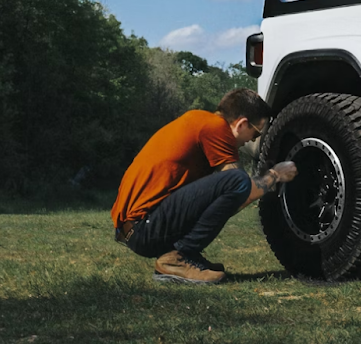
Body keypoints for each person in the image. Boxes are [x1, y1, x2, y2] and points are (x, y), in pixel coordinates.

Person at [112, 88, 297, 284]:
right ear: (242, 124)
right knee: (237, 180)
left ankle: (185, 255)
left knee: (235, 183)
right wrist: (275, 175)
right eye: (256, 133)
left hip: (131, 229)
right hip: (143, 229)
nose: (251, 141)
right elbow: (243, 190)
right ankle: (178, 258)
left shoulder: (198, 121)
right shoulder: (215, 127)